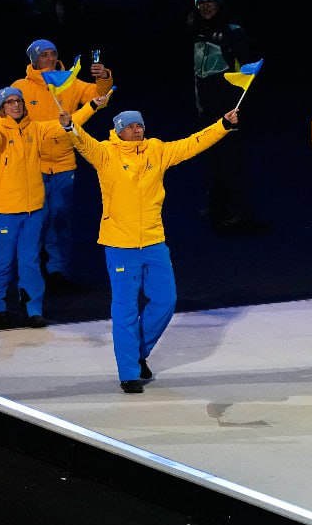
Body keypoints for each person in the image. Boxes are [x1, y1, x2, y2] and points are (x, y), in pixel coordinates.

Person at [67, 100, 239, 394]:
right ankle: (129, 373)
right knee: (125, 309)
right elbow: (84, 143)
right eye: (131, 126)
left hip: (153, 241)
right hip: (120, 244)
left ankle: (137, 353)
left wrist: (222, 125)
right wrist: (70, 127)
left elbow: (192, 144)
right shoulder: (106, 153)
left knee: (166, 300)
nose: (137, 130)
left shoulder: (156, 150)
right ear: (119, 131)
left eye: (140, 125)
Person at [0, 39, 114, 290]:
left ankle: (57, 270)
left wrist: (103, 77)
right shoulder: (22, 86)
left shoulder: (68, 82)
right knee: (38, 219)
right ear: (33, 60)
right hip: (34, 164)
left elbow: (97, 95)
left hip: (63, 162)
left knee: (60, 217)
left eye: (53, 54)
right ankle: (34, 268)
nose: (50, 59)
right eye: (44, 55)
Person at [0, 88, 97, 329]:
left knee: (30, 261)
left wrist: (92, 106)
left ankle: (32, 309)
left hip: (34, 209)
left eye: (19, 101)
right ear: (2, 107)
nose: (15, 105)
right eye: (10, 102)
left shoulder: (35, 128)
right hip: (4, 210)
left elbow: (64, 125)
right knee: (4, 259)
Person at [186, 0, 265, 235]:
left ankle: (237, 210)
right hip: (205, 106)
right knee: (211, 158)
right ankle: (216, 205)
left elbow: (250, 64)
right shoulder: (194, 28)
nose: (206, 6)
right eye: (202, 2)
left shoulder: (232, 31)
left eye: (211, 2)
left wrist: (242, 92)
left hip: (228, 106)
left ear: (219, 4)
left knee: (231, 160)